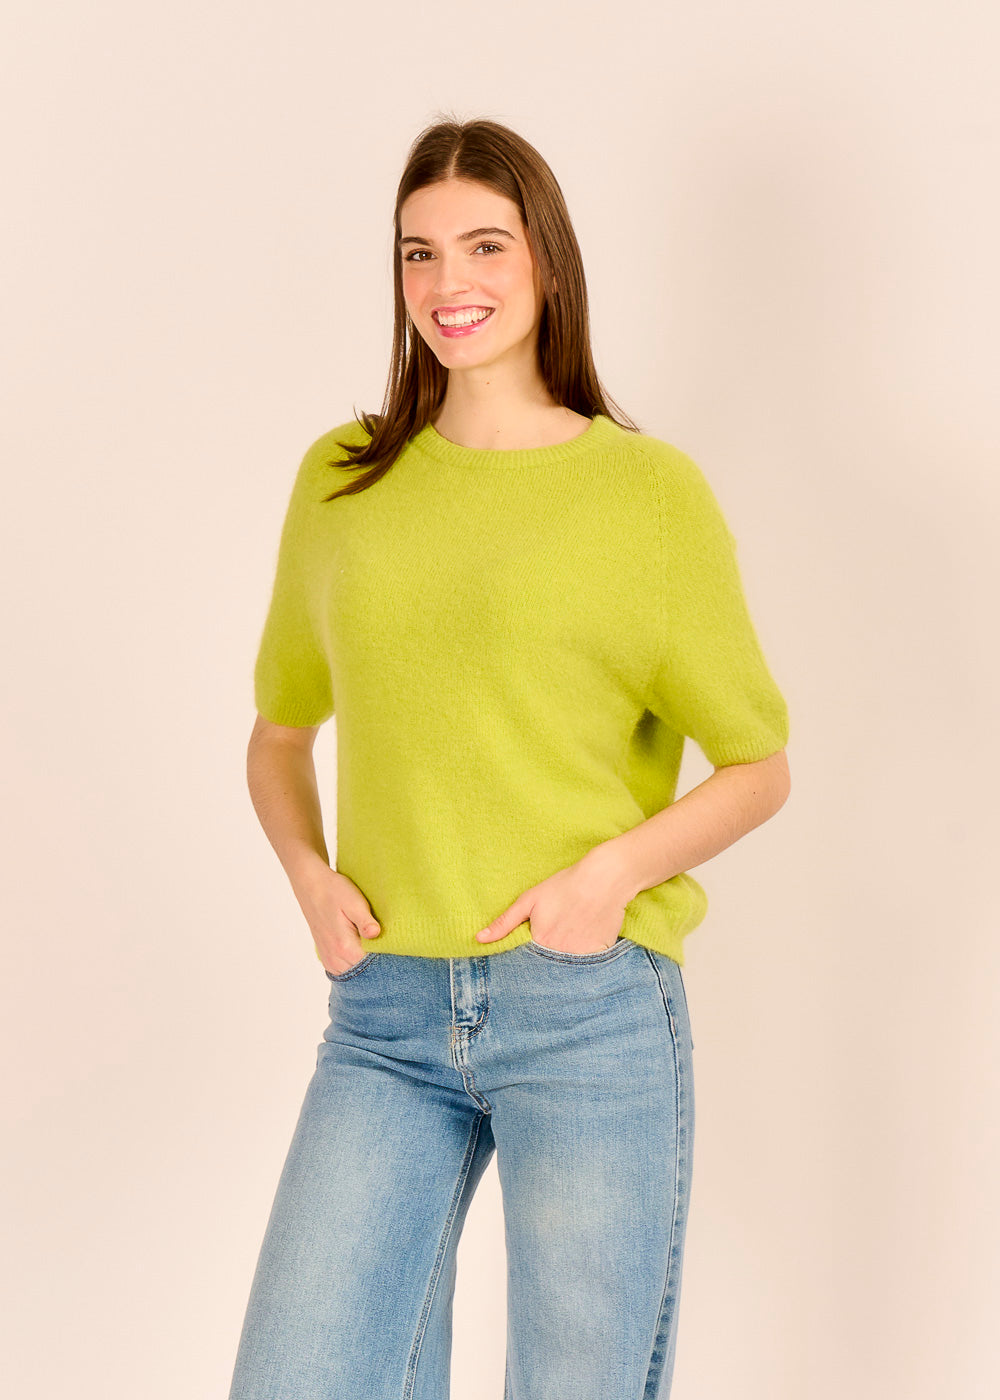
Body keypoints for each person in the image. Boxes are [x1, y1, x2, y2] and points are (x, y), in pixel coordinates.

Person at [227, 116, 791, 1400]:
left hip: (584, 1008)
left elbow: (758, 764)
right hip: (382, 1015)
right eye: (418, 252)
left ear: (546, 260)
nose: (449, 283)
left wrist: (607, 878)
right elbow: (278, 732)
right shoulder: (344, 481)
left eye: (485, 245)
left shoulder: (647, 494)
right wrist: (310, 876)